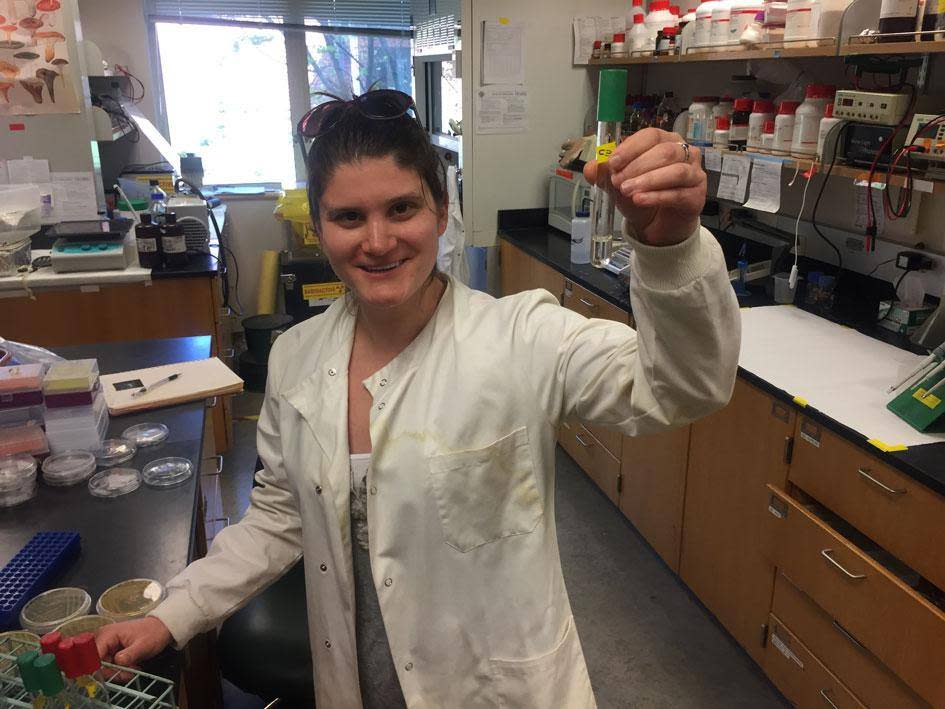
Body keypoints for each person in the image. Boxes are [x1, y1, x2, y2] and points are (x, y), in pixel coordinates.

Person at [95, 89, 740, 708]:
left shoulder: (522, 335)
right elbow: (281, 515)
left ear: (442, 209)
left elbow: (682, 387)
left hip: (491, 689)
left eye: (401, 208)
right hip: (355, 681)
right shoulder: (295, 358)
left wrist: (671, 246)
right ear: (318, 228)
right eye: (349, 217)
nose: (377, 242)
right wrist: (174, 612)